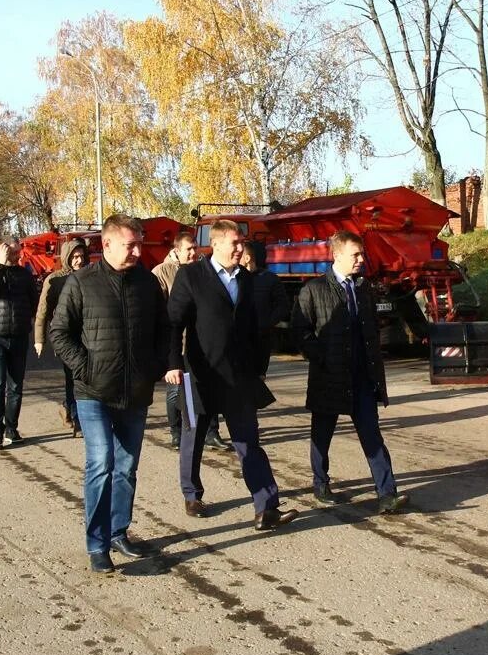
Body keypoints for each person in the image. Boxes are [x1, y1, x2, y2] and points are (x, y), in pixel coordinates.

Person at [51, 215, 171, 574]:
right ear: (106, 245)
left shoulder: (147, 284)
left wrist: (154, 367)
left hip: (135, 391)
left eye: (139, 244)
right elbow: (60, 333)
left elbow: (163, 331)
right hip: (93, 392)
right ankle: (97, 543)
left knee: (126, 467)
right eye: (130, 244)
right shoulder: (82, 283)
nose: (137, 250)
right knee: (101, 463)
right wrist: (85, 369)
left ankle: (119, 531)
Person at [166, 219, 297, 530]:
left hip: (238, 376)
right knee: (193, 436)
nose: (241, 249)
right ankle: (192, 494)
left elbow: (254, 330)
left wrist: (257, 370)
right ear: (218, 244)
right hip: (198, 374)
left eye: (242, 243)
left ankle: (266, 507)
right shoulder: (191, 276)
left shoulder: (247, 280)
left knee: (248, 440)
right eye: (236, 243)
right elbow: (173, 323)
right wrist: (173, 364)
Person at [292, 230, 409, 514]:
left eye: (362, 254)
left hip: (362, 377)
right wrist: (320, 356)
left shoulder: (363, 288)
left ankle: (386, 494)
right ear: (338, 255)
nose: (361, 259)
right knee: (322, 434)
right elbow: (300, 331)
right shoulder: (314, 290)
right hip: (329, 376)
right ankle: (320, 483)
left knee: (372, 435)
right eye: (355, 254)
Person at [152, 231, 228, 451]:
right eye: (189, 249)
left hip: (201, 342)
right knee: (175, 390)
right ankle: (176, 433)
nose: (194, 252)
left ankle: (212, 433)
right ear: (177, 251)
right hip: (176, 342)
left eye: (196, 247)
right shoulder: (162, 272)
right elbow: (160, 309)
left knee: (208, 388)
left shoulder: (206, 270)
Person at [0, 236, 39, 450]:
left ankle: (12, 429)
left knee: (16, 386)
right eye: (13, 252)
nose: (17, 255)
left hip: (19, 335)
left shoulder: (24, 274)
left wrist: (27, 320)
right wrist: (0, 266)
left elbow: (34, 301)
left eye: (18, 251)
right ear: (2, 251)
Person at [34, 238, 88, 436]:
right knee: (72, 378)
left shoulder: (90, 276)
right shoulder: (55, 279)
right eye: (74, 257)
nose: (79, 260)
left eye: (81, 256)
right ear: (66, 258)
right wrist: (39, 339)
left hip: (88, 335)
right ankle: (77, 420)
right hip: (66, 337)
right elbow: (43, 311)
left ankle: (68, 408)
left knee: (85, 377)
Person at [241, 240, 290, 377]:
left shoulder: (270, 279)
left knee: (258, 381)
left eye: (239, 254)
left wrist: (266, 324)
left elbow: (283, 306)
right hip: (239, 341)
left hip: (260, 342)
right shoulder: (234, 279)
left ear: (247, 258)